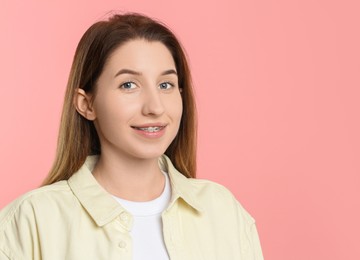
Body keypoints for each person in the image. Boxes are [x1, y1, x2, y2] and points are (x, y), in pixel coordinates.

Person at [0, 13, 264, 260]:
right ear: (87, 104)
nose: (155, 107)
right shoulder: (29, 221)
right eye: (129, 85)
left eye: (166, 85)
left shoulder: (223, 212)